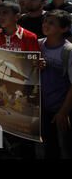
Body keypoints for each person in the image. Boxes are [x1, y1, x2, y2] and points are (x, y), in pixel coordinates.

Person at [0, 1, 40, 158]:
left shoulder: (30, 37)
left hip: (21, 96)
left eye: (5, 13)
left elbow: (34, 66)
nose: (0, 16)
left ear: (17, 16)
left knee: (23, 137)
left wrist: (40, 64)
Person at [38, 10, 72, 158]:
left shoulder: (68, 51)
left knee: (66, 147)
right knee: (49, 147)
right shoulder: (39, 45)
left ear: (64, 29)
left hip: (62, 109)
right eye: (45, 21)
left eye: (52, 23)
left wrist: (63, 112)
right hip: (43, 108)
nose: (46, 24)